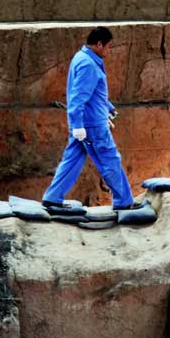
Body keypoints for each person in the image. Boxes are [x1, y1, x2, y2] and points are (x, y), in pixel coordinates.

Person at [42, 27, 141, 210]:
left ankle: (52, 197)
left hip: (86, 123)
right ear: (99, 44)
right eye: (109, 47)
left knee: (72, 159)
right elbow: (77, 98)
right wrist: (79, 125)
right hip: (92, 126)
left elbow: (92, 92)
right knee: (110, 159)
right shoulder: (88, 64)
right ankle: (124, 202)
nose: (109, 51)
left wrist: (107, 108)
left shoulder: (82, 57)